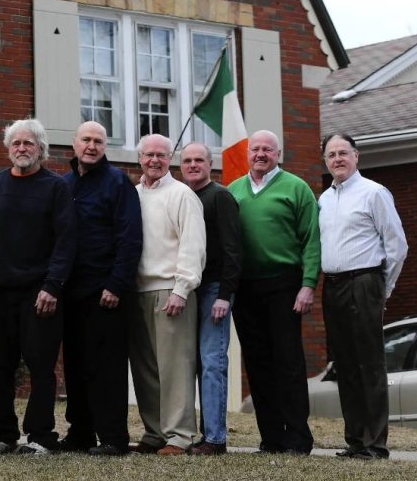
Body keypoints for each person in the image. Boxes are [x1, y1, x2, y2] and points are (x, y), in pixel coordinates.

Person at [0, 119, 76, 454]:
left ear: (41, 149)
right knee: (0, 366)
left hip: (41, 294)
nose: (22, 149)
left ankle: (40, 435)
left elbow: (66, 241)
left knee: (41, 367)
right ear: (8, 149)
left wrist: (52, 286)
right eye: (16, 143)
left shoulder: (56, 187)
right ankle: (3, 434)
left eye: (29, 143)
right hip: (1, 293)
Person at [228, 130, 320, 455]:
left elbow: (312, 240)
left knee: (288, 362)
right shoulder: (234, 191)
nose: (261, 154)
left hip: (285, 284)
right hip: (246, 288)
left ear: (278, 153)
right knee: (257, 363)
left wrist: (308, 284)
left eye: (268, 149)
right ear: (248, 153)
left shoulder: (297, 188)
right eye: (255, 149)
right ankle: (271, 438)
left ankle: (298, 438)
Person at [319, 132, 408, 461]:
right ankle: (355, 440)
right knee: (345, 365)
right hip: (333, 286)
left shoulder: (374, 193)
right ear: (325, 161)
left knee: (369, 365)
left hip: (365, 281)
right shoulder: (324, 199)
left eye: (344, 152)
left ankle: (374, 445)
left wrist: (382, 290)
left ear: (357, 156)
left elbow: (397, 246)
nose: (338, 159)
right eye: (332, 154)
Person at [61, 121, 143, 456]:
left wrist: (116, 284)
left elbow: (130, 237)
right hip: (71, 291)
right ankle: (80, 433)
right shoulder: (63, 184)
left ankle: (112, 438)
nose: (91, 146)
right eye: (86, 140)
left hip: (106, 291)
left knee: (106, 368)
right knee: (75, 364)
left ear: (104, 146)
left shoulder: (117, 182)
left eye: (98, 141)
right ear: (74, 143)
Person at [129, 134, 206, 455]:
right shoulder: (132, 195)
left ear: (170, 158)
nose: (154, 161)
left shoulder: (182, 195)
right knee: (145, 368)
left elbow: (193, 244)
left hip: (171, 291)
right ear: (140, 158)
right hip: (137, 291)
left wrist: (182, 287)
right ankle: (155, 432)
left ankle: (179, 435)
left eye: (161, 155)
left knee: (175, 367)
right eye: (148, 155)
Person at [179, 143, 241, 456]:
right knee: (193, 363)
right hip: (189, 289)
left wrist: (225, 296)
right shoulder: (184, 197)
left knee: (213, 361)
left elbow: (233, 251)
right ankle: (199, 435)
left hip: (215, 290)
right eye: (187, 160)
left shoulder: (220, 196)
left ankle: (215, 439)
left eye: (199, 160)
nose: (193, 165)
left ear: (210, 163)